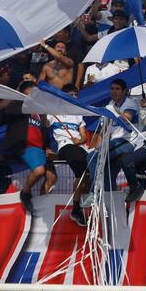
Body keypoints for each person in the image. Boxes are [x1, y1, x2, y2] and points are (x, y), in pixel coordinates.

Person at [1, 81, 51, 214]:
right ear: (23, 93)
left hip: (39, 148)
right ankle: (25, 193)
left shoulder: (39, 111)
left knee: (51, 176)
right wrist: (25, 101)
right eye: (31, 92)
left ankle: (44, 203)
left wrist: (47, 147)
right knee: (39, 171)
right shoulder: (16, 105)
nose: (35, 95)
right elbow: (8, 112)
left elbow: (44, 131)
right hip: (26, 146)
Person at [46, 84, 91, 227]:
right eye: (70, 95)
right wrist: (42, 111)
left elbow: (83, 135)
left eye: (75, 95)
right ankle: (78, 207)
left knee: (85, 173)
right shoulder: (53, 112)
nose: (73, 97)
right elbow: (45, 123)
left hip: (80, 146)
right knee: (82, 170)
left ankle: (77, 208)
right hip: (65, 145)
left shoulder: (78, 114)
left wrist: (80, 140)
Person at [87, 79, 138, 195]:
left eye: (117, 89)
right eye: (112, 89)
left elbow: (126, 119)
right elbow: (104, 129)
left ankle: (94, 192)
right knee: (108, 174)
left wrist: (114, 111)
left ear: (124, 91)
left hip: (126, 141)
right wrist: (99, 146)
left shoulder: (130, 103)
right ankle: (111, 200)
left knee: (92, 157)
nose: (114, 92)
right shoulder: (110, 105)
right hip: (114, 143)